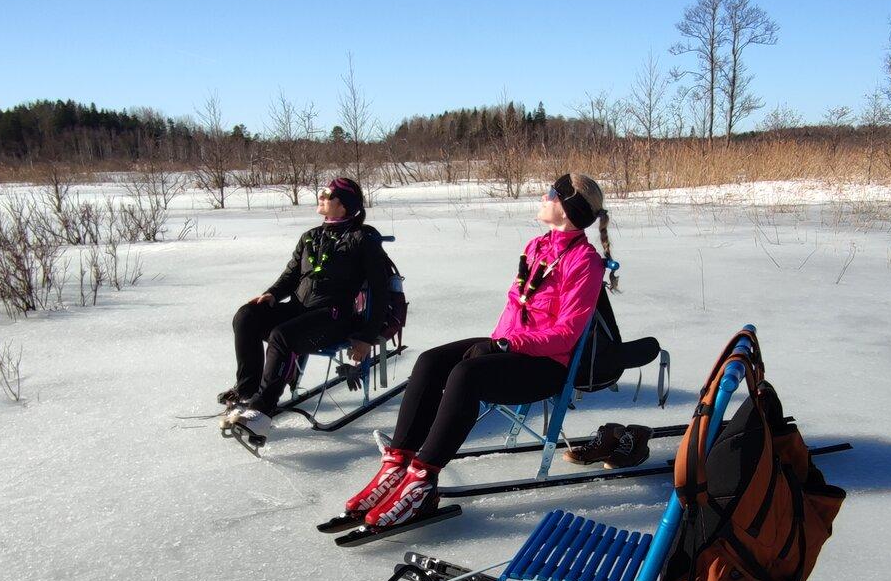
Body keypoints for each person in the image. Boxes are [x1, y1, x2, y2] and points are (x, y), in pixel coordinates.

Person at [344, 173, 613, 530]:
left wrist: (505, 345)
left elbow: (565, 334)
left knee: (465, 376)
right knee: (431, 362)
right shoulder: (537, 246)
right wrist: (495, 344)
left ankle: (422, 481)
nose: (542, 196)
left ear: (566, 208)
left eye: (550, 193)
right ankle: (398, 465)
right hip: (509, 348)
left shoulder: (585, 261)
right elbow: (516, 307)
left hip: (546, 365)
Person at [221, 178, 391, 442]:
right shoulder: (310, 236)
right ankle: (247, 391)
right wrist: (273, 294)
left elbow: (380, 293)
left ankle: (261, 412)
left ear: (344, 205)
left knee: (282, 335)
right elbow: (290, 276)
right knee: (247, 316)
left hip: (333, 318)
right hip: (300, 310)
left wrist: (367, 337)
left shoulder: (363, 240)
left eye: (327, 195)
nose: (320, 197)